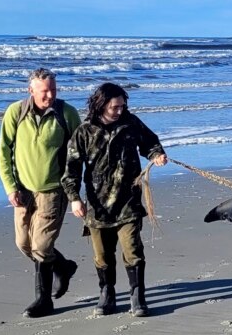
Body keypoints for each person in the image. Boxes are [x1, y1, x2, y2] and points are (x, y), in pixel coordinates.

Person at [61, 83, 167, 317]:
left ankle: (137, 297)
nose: (120, 110)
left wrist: (157, 154)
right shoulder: (84, 131)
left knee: (133, 249)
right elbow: (72, 169)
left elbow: (149, 142)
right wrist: (74, 199)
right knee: (102, 255)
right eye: (115, 107)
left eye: (123, 105)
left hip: (128, 200)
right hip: (97, 206)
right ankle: (107, 294)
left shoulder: (130, 123)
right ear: (101, 105)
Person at [0, 68, 82, 318]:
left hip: (54, 191)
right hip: (23, 191)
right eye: (44, 91)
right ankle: (64, 267)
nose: (50, 95)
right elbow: (4, 152)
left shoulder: (67, 113)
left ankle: (43, 300)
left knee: (42, 246)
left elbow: (80, 152)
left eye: (53, 90)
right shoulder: (16, 112)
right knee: (23, 244)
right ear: (31, 90)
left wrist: (75, 191)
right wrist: (10, 187)